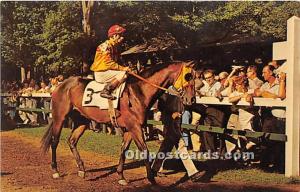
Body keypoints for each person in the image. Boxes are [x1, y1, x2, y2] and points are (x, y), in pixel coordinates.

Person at [90, 24, 130, 100]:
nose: (122, 37)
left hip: (109, 72)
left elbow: (119, 61)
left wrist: (127, 67)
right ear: (113, 36)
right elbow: (108, 63)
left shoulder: (115, 47)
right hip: (101, 73)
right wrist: (124, 68)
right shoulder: (105, 46)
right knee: (123, 74)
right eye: (120, 35)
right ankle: (105, 91)